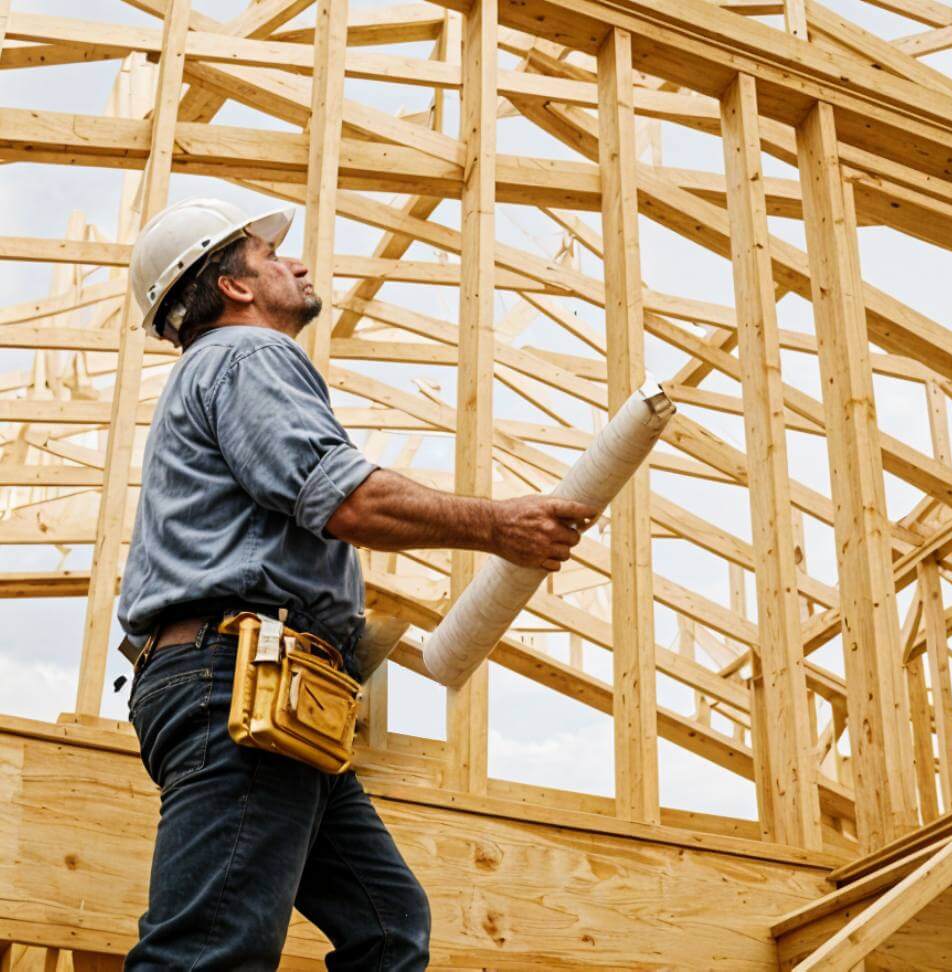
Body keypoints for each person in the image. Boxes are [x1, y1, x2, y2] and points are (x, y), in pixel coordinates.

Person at [115, 198, 597, 970]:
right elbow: (347, 498)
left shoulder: (209, 375)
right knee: (208, 953)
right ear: (233, 287)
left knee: (387, 928)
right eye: (269, 254)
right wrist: (500, 525)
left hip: (260, 685)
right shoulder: (246, 357)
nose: (295, 262)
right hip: (236, 680)